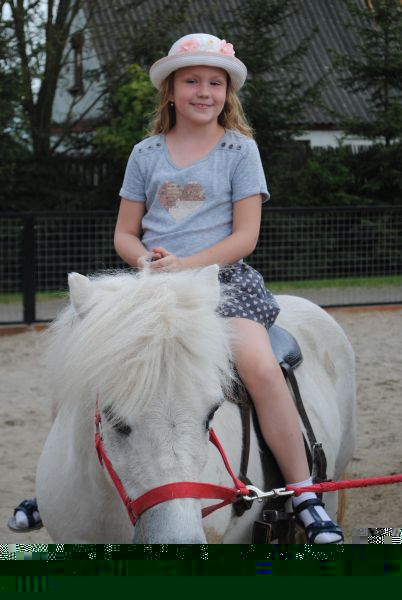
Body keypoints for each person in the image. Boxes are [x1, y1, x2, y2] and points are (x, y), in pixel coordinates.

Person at [9, 33, 342, 543]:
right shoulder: (146, 153)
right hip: (154, 283)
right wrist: (146, 259)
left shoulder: (240, 150)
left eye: (215, 83)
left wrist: (189, 263)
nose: (204, 91)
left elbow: (246, 236)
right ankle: (57, 487)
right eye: (191, 81)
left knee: (258, 365)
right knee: (82, 359)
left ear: (227, 93)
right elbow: (125, 233)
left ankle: (302, 490)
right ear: (170, 91)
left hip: (221, 282)